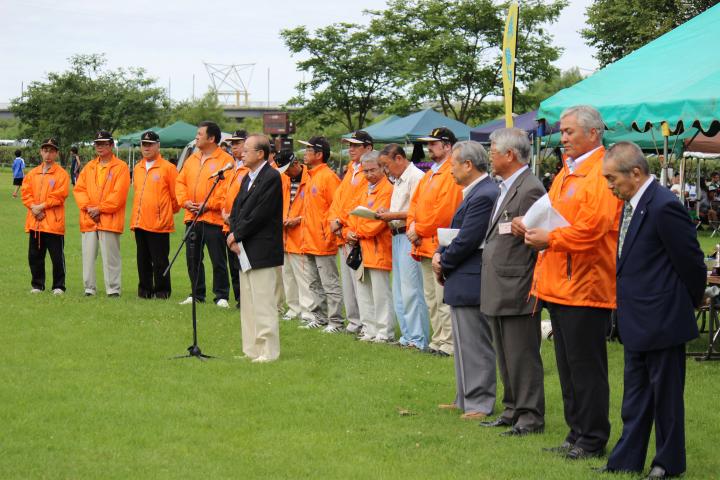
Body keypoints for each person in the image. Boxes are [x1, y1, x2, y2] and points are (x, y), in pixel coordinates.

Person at [518, 105, 622, 460]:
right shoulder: (567, 172)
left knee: (586, 369)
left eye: (569, 132)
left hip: (586, 286)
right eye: (562, 132)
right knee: (567, 367)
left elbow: (594, 230)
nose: (562, 138)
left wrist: (551, 239)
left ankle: (592, 438)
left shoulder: (603, 173)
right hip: (559, 283)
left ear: (593, 134)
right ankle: (576, 432)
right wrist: (530, 226)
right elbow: (555, 214)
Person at [598, 142, 705, 479]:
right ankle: (626, 460)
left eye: (612, 178)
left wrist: (687, 301)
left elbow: (691, 262)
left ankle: (666, 463)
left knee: (666, 398)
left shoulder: (663, 206)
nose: (609, 185)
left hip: (663, 319)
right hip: (636, 317)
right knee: (635, 395)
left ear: (636, 172)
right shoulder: (632, 204)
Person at [479, 128, 546, 436]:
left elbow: (536, 239)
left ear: (510, 154)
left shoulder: (530, 188)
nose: (489, 156)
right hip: (500, 281)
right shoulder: (506, 185)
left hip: (518, 283)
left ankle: (529, 416)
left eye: (493, 151)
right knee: (505, 353)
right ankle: (512, 409)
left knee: (522, 354)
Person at [432, 140, 498, 420]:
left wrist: (443, 261)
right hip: (463, 276)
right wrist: (439, 254)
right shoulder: (475, 191)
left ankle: (480, 402)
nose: (450, 171)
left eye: (453, 165)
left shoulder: (484, 193)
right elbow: (455, 232)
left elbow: (468, 238)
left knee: (475, 343)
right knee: (462, 343)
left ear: (468, 165)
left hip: (472, 277)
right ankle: (465, 398)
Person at [227, 134, 284, 363]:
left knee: (263, 302)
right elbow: (237, 209)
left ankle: (268, 351)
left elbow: (260, 214)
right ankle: (251, 349)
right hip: (244, 247)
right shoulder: (246, 178)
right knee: (248, 301)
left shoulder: (271, 177)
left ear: (260, 153)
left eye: (247, 149)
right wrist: (233, 234)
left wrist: (237, 234)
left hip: (262, 247)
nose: (241, 152)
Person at [408, 127, 464, 356]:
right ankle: (438, 339)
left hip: (437, 243)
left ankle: (449, 343)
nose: (429, 148)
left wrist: (417, 228)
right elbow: (414, 203)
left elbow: (444, 213)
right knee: (431, 298)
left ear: (447, 145)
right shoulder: (431, 173)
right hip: (423, 243)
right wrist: (412, 225)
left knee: (442, 298)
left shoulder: (451, 172)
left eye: (433, 144)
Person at [376, 144, 431, 351]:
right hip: (396, 234)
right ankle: (408, 335)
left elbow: (418, 211)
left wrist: (392, 215)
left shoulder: (416, 177)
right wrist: (388, 212)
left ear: (399, 159)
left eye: (386, 165)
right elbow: (402, 209)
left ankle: (418, 338)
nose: (386, 171)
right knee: (399, 290)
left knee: (411, 290)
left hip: (409, 235)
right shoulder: (399, 179)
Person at [175, 121, 233, 307]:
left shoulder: (225, 161)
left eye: (200, 134)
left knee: (218, 259)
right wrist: (185, 202)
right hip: (192, 217)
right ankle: (196, 294)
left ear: (211, 138)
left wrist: (208, 205)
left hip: (214, 219)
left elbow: (226, 190)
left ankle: (222, 295)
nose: (196, 137)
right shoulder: (192, 159)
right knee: (192, 258)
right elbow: (180, 182)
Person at [345, 151, 395, 342]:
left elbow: (378, 221)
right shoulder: (364, 188)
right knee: (363, 290)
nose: (368, 174)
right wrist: (349, 231)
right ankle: (369, 328)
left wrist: (358, 232)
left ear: (382, 167)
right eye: (365, 171)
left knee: (380, 293)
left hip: (377, 247)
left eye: (372, 169)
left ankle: (384, 331)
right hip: (361, 247)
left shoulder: (387, 189)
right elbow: (352, 212)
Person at [73, 131, 131, 297]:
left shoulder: (121, 167)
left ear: (111, 145)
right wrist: (89, 208)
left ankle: (113, 289)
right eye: (97, 144)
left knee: (111, 256)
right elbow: (79, 190)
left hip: (109, 218)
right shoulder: (89, 167)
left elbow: (118, 195)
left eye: (104, 143)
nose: (100, 147)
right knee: (88, 255)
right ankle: (89, 288)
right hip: (89, 218)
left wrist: (100, 209)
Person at [298, 136, 344, 332]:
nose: (305, 154)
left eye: (308, 151)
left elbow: (337, 208)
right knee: (314, 282)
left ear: (319, 154)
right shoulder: (310, 176)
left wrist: (328, 234)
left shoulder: (328, 177)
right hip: (309, 240)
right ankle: (320, 317)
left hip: (323, 240)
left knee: (330, 283)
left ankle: (336, 322)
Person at [329, 130, 373, 333]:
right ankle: (354, 322)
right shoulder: (350, 170)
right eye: (350, 145)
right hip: (343, 232)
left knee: (360, 283)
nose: (351, 149)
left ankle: (366, 323)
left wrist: (343, 223)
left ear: (368, 148)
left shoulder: (368, 172)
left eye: (356, 145)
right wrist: (334, 222)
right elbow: (339, 201)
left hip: (355, 232)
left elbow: (359, 204)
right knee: (348, 283)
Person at [129, 131, 180, 299]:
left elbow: (176, 197)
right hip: (139, 221)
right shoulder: (137, 167)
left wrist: (162, 212)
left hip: (159, 223)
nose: (147, 147)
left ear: (158, 145)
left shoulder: (168, 168)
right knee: (142, 259)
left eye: (150, 144)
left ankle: (162, 291)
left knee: (160, 260)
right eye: (144, 144)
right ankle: (144, 290)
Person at [21, 138, 70, 294]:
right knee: (35, 256)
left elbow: (60, 196)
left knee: (57, 258)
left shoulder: (61, 174)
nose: (48, 154)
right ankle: (37, 285)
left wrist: (41, 207)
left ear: (56, 153)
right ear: (41, 152)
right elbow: (26, 193)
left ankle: (58, 286)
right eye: (45, 150)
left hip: (53, 222)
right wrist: (33, 207)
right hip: (35, 221)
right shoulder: (32, 173)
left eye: (51, 151)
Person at [278, 150, 310, 322]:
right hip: (285, 234)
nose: (287, 174)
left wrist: (298, 219)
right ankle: (293, 307)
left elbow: (316, 209)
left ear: (295, 164)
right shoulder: (285, 180)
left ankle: (307, 310)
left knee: (303, 276)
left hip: (301, 235)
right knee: (287, 275)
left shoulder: (309, 178)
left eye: (288, 169)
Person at [221, 130, 249, 308]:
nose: (234, 146)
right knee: (232, 265)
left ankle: (246, 299)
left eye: (237, 143)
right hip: (227, 223)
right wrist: (224, 214)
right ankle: (239, 298)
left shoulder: (249, 169)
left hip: (241, 223)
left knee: (243, 263)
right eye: (232, 143)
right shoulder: (232, 167)